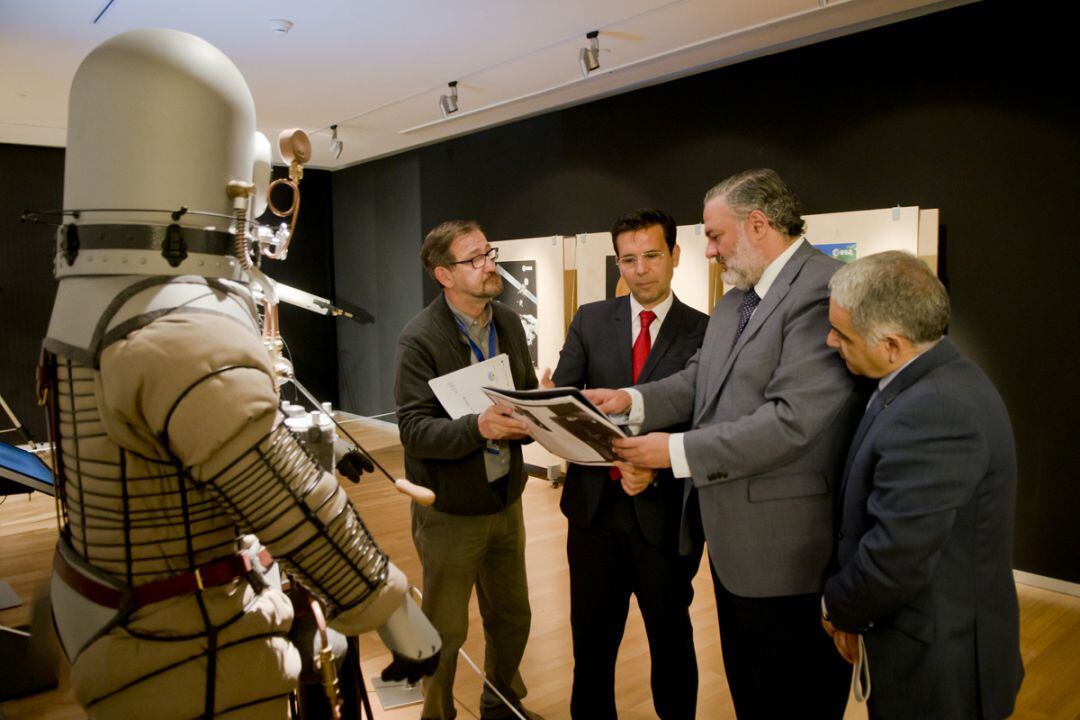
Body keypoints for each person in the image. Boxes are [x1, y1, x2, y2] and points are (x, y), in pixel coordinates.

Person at [43, 29, 439, 719]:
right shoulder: (180, 326)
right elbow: (280, 492)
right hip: (183, 642)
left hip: (108, 599)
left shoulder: (90, 301)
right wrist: (388, 602)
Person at [591, 169, 863, 719]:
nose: (709, 250)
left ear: (757, 225)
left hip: (787, 549)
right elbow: (697, 380)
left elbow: (791, 422)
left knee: (792, 694)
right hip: (730, 539)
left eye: (715, 236)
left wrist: (672, 452)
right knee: (749, 687)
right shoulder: (735, 301)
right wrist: (629, 400)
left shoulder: (822, 291)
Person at [820, 251, 1024, 719]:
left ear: (892, 344)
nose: (831, 341)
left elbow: (896, 555)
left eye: (843, 334)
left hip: (938, 665)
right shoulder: (935, 377)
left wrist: (837, 608)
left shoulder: (935, 410)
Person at [546, 208, 708, 719]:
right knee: (591, 647)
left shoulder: (706, 331)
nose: (640, 270)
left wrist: (656, 465)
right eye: (628, 259)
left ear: (675, 255)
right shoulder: (592, 319)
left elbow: (706, 417)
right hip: (593, 512)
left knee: (671, 642)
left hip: (664, 516)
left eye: (652, 256)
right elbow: (567, 402)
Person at [395, 220, 541, 720]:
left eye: (489, 252)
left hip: (506, 499)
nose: (490, 264)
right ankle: (437, 716)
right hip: (450, 511)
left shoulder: (508, 321)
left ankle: (501, 705)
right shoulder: (419, 339)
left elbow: (519, 391)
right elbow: (414, 431)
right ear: (444, 275)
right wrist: (478, 427)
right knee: (445, 628)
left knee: (512, 617)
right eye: (474, 259)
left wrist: (536, 410)